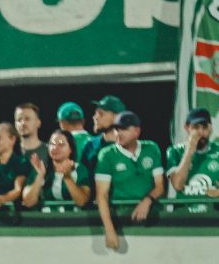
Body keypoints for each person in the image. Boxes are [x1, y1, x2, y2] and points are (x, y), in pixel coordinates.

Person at [94, 111, 164, 251]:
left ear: (137, 131)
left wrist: (146, 201)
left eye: (124, 129)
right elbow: (101, 195)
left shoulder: (151, 148)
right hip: (121, 218)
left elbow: (160, 186)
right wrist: (109, 230)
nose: (118, 133)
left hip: (152, 216)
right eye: (116, 129)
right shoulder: (107, 155)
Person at [22, 129, 92, 209]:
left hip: (74, 216)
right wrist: (40, 176)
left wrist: (68, 177)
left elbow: (82, 201)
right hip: (47, 216)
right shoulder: (40, 168)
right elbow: (28, 202)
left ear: (71, 149)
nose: (55, 147)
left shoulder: (80, 169)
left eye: (61, 144)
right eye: (52, 144)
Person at [166, 108, 219, 199]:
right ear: (187, 127)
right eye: (196, 127)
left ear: (210, 128)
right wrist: (189, 150)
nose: (201, 132)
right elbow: (177, 185)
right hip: (184, 207)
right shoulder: (175, 152)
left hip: (212, 207)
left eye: (204, 127)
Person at [81, 95, 125, 172]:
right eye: (95, 113)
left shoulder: (130, 146)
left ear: (116, 117)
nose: (95, 117)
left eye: (101, 114)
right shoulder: (90, 146)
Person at [14, 103, 49, 167]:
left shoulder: (49, 151)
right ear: (15, 125)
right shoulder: (10, 152)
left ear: (38, 123)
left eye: (27, 119)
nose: (23, 123)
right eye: (19, 120)